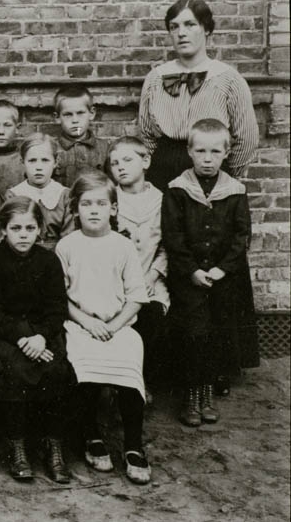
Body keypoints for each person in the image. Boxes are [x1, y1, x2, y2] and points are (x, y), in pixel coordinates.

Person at [56, 173, 151, 485]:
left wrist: (113, 325)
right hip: (80, 325)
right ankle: (92, 435)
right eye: (86, 204)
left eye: (101, 203)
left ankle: (133, 445)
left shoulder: (123, 246)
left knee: (129, 366)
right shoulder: (67, 246)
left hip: (118, 326)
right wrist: (87, 322)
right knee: (83, 369)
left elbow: (137, 296)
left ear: (113, 208)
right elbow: (60, 297)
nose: (94, 210)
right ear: (75, 209)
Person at [161, 119, 258, 426]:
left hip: (222, 278)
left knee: (216, 332)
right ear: (189, 151)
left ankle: (207, 394)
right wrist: (191, 270)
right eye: (200, 151)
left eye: (215, 152)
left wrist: (221, 269)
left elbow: (241, 236)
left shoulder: (234, 191)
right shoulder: (177, 190)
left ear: (226, 153)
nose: (207, 159)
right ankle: (191, 395)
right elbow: (173, 236)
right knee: (194, 334)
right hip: (188, 278)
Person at [0, 197, 75, 483]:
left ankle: (53, 445)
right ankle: (18, 446)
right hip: (8, 334)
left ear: (39, 230)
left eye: (29, 228)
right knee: (14, 371)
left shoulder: (48, 261)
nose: (23, 234)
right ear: (3, 230)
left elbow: (57, 309)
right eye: (16, 228)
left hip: (43, 333)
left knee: (56, 369)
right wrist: (24, 339)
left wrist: (41, 337)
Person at [139, 0, 259, 193]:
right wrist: (159, 164)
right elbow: (146, 133)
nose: (181, 33)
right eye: (174, 27)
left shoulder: (229, 79)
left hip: (211, 170)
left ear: (207, 29)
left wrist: (225, 174)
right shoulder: (155, 78)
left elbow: (247, 138)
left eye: (190, 25)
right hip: (164, 170)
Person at [109, 137, 170, 396]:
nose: (120, 167)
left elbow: (168, 245)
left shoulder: (163, 200)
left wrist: (153, 275)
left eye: (127, 160)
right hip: (116, 282)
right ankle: (117, 381)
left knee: (151, 318)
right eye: (114, 163)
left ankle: (142, 381)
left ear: (145, 161)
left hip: (150, 279)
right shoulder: (109, 200)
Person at [6, 132, 74, 250]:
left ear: (55, 162)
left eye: (45, 160)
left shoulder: (65, 195)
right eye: (32, 160)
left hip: (58, 254)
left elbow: (69, 237)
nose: (38, 167)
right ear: (22, 162)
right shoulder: (13, 195)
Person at [52, 85, 109, 188]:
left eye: (80, 113)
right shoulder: (50, 149)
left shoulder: (105, 149)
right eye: (68, 114)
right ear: (57, 117)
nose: (75, 120)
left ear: (92, 113)